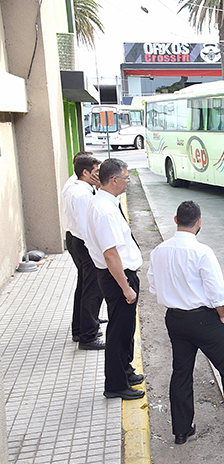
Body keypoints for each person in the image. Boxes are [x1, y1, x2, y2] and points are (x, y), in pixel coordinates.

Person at [148, 201, 224, 444]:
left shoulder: (159, 250)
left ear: (175, 219)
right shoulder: (202, 252)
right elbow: (216, 292)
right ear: (199, 222)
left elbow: (154, 286)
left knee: (181, 372)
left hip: (175, 318)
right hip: (204, 318)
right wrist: (221, 314)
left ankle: (181, 430)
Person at [84, 158, 145, 400]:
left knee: (126, 329)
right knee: (118, 332)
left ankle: (125, 370)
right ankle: (116, 384)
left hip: (120, 275)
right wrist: (126, 288)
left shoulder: (106, 202)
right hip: (118, 278)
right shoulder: (104, 210)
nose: (129, 182)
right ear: (114, 180)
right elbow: (110, 254)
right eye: (126, 178)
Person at [62, 154, 105, 350]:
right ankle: (88, 336)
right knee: (92, 291)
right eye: (96, 172)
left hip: (77, 241)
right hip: (83, 244)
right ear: (85, 173)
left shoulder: (78, 187)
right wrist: (97, 251)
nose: (99, 175)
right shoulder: (81, 194)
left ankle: (81, 328)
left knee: (84, 287)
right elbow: (85, 226)